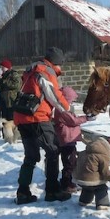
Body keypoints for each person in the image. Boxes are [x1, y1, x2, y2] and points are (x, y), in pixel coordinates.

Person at [12, 47, 72, 204]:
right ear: (56, 62)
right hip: (37, 117)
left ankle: (23, 192)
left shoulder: (30, 69)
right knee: (53, 151)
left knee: (31, 156)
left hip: (21, 116)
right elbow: (53, 95)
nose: (61, 69)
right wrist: (67, 108)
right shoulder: (46, 71)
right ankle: (52, 190)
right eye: (61, 65)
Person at [53, 86, 90, 194]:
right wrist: (86, 118)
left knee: (71, 162)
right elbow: (73, 121)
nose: (72, 102)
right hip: (66, 141)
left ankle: (70, 181)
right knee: (69, 163)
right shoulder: (62, 111)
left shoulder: (64, 109)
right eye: (71, 100)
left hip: (69, 140)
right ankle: (66, 184)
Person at [74, 137, 110, 210]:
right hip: (91, 180)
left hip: (79, 178)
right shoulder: (102, 156)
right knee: (101, 188)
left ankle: (84, 201)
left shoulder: (84, 152)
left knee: (87, 188)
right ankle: (103, 204)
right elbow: (104, 171)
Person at [0, 59, 21, 125]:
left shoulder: (13, 74)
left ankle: (12, 134)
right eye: (1, 67)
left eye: (3, 67)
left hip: (11, 101)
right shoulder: (3, 75)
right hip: (3, 101)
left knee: (11, 120)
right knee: (4, 120)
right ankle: (6, 134)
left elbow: (17, 85)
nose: (1, 69)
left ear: (7, 67)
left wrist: (4, 82)